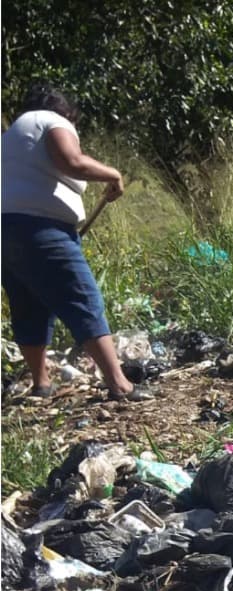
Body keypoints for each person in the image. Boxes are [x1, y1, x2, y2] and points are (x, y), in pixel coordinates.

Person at [1, 84, 150, 401]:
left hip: (6, 230)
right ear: (65, 112)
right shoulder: (52, 121)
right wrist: (113, 174)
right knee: (82, 298)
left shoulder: (12, 135)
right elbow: (72, 161)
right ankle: (120, 384)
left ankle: (41, 383)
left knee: (28, 306)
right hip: (42, 229)